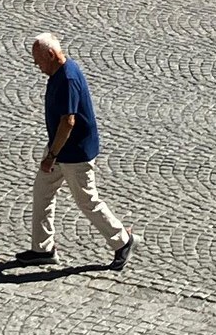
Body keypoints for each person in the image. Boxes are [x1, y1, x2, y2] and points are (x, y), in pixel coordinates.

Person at [18, 32, 135, 268]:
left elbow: (68, 121)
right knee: (42, 192)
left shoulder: (67, 79)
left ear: (51, 55)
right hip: (61, 148)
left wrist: (51, 156)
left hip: (74, 153)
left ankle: (122, 241)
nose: (36, 65)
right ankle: (43, 248)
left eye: (38, 60)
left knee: (87, 201)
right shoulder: (60, 72)